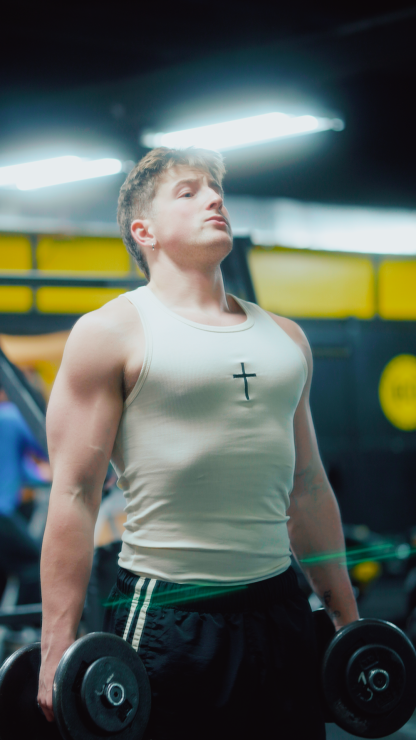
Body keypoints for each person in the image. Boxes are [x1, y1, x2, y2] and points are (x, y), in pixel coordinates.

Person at [38, 147, 358, 739]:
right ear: (145, 232)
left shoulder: (286, 339)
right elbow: (75, 494)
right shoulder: (109, 333)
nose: (213, 199)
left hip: (280, 609)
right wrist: (56, 645)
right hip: (167, 617)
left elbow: (308, 487)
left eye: (215, 189)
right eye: (188, 192)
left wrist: (348, 622)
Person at [0, 383, 48, 604]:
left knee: (5, 571)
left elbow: (18, 469)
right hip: (2, 513)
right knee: (34, 565)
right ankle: (27, 622)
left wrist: (41, 476)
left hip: (6, 512)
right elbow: (47, 449)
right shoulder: (10, 415)